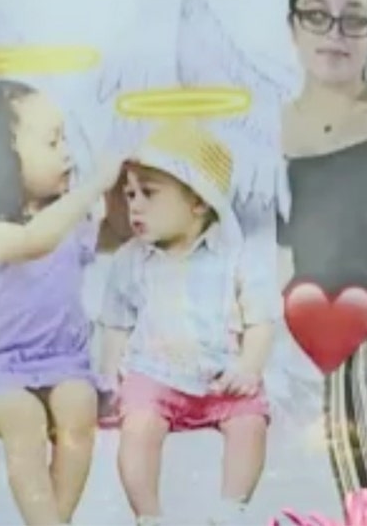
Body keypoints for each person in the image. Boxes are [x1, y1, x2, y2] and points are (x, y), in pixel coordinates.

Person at [0, 79, 125, 526]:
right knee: (24, 421)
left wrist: (122, 190)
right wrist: (95, 185)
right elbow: (33, 241)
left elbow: (118, 234)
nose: (67, 154)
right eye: (53, 141)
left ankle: (55, 520)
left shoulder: (68, 220)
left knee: (79, 409)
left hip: (63, 360)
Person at [98, 120, 277, 526]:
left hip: (220, 376)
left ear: (198, 201)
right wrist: (112, 372)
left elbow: (260, 320)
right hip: (155, 374)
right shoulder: (131, 259)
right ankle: (148, 514)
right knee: (139, 426)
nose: (135, 207)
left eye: (149, 193)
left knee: (250, 420)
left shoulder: (237, 256)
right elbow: (116, 321)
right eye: (129, 195)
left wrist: (249, 368)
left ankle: (233, 509)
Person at [278, 0, 367, 501]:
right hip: (307, 334)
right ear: (292, 25)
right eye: (317, 14)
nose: (335, 32)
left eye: (354, 18)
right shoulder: (262, 132)